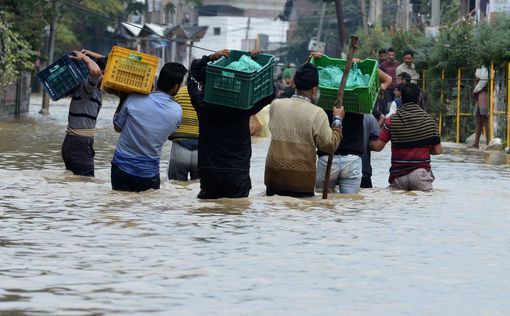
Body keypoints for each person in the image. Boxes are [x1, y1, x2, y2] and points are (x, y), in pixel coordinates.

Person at [187, 49, 276, 199]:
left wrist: (209, 58)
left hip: (210, 173)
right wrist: (257, 61)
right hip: (237, 174)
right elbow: (270, 93)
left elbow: (192, 75)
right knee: (235, 216)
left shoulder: (202, 105)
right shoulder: (243, 108)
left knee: (208, 217)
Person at [264, 63, 344, 198]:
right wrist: (337, 119)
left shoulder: (276, 105)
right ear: (314, 90)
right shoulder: (318, 113)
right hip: (300, 182)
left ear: (294, 82)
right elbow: (330, 145)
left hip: (273, 179)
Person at [315, 55, 393, 194]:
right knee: (351, 206)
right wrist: (362, 65)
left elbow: (303, 79)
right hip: (351, 160)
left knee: (323, 207)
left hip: (327, 159)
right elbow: (388, 80)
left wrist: (314, 60)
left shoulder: (324, 98)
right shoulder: (360, 97)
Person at [111, 62, 187, 192]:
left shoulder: (133, 98)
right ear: (175, 87)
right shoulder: (177, 111)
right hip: (148, 173)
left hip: (121, 169)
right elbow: (169, 133)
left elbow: (117, 127)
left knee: (119, 207)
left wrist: (122, 99)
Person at [369, 83, 443, 191]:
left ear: (401, 99)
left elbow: (377, 147)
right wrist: (423, 147)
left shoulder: (391, 121)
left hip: (398, 177)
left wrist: (364, 141)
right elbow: (438, 150)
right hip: (421, 176)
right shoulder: (429, 121)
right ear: (418, 99)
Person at [61, 49, 106, 177]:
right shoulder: (88, 88)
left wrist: (90, 54)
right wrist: (85, 59)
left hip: (77, 142)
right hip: (79, 144)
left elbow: (105, 63)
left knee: (78, 185)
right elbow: (96, 71)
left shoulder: (96, 90)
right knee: (86, 183)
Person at [167, 85, 199, 181]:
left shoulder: (177, 93)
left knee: (176, 188)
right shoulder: (207, 95)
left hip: (179, 148)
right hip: (201, 151)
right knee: (198, 191)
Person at [360, 113, 381, 188]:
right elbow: (377, 145)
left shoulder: (333, 115)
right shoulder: (368, 116)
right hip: (363, 172)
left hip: (335, 171)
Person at [472, 66, 489, 149]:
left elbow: (483, 81)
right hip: (479, 93)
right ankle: (476, 143)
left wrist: (475, 89)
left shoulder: (486, 67)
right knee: (478, 118)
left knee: (485, 117)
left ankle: (488, 142)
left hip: (483, 93)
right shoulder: (480, 67)